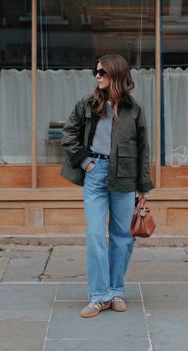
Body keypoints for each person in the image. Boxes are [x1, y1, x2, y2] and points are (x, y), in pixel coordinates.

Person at [61, 54, 153, 318]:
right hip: (95, 173)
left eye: (102, 72)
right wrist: (86, 163)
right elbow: (69, 135)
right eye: (96, 72)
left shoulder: (134, 109)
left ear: (117, 75)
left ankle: (115, 292)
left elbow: (143, 148)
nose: (97, 76)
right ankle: (98, 296)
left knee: (122, 238)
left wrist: (143, 187)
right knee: (94, 235)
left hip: (124, 176)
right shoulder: (88, 104)